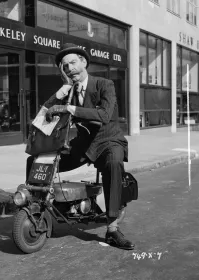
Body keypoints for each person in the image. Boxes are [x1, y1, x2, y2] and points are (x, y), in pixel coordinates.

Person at [26, 43, 134, 250]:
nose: (70, 69)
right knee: (35, 160)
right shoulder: (69, 91)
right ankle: (37, 210)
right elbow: (44, 114)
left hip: (108, 140)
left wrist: (68, 107)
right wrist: (61, 93)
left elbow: (104, 115)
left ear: (84, 62)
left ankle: (112, 229)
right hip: (82, 144)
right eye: (65, 66)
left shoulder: (105, 84)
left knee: (113, 163)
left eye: (73, 62)